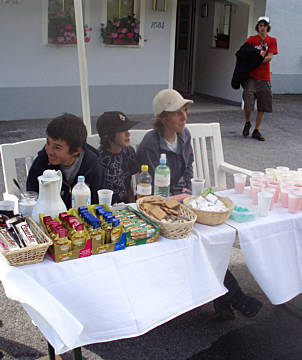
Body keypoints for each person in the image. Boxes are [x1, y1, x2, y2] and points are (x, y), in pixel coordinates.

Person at [26, 113, 105, 208]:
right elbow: (32, 196)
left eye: (57, 148)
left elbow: (97, 202)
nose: (49, 151)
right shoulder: (41, 163)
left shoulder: (93, 165)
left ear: (76, 150)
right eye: (48, 143)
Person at [136, 88, 194, 196]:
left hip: (181, 194)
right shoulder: (150, 144)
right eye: (177, 113)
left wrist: (189, 188)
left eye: (185, 110)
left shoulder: (185, 135)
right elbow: (151, 187)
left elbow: (188, 166)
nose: (184, 117)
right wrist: (175, 199)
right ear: (162, 117)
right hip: (158, 199)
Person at [242, 16, 278, 141]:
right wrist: (256, 57)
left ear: (268, 27)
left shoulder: (272, 40)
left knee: (263, 105)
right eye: (260, 25)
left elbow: (270, 57)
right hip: (251, 76)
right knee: (248, 101)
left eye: (264, 25)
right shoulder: (252, 39)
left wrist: (257, 59)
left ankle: (256, 130)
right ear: (258, 27)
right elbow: (244, 51)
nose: (262, 28)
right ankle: (247, 123)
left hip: (264, 77)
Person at [96, 111, 139, 204]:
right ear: (107, 135)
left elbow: (130, 183)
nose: (128, 134)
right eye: (122, 130)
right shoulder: (98, 159)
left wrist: (132, 205)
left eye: (127, 129)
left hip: (127, 207)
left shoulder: (129, 151)